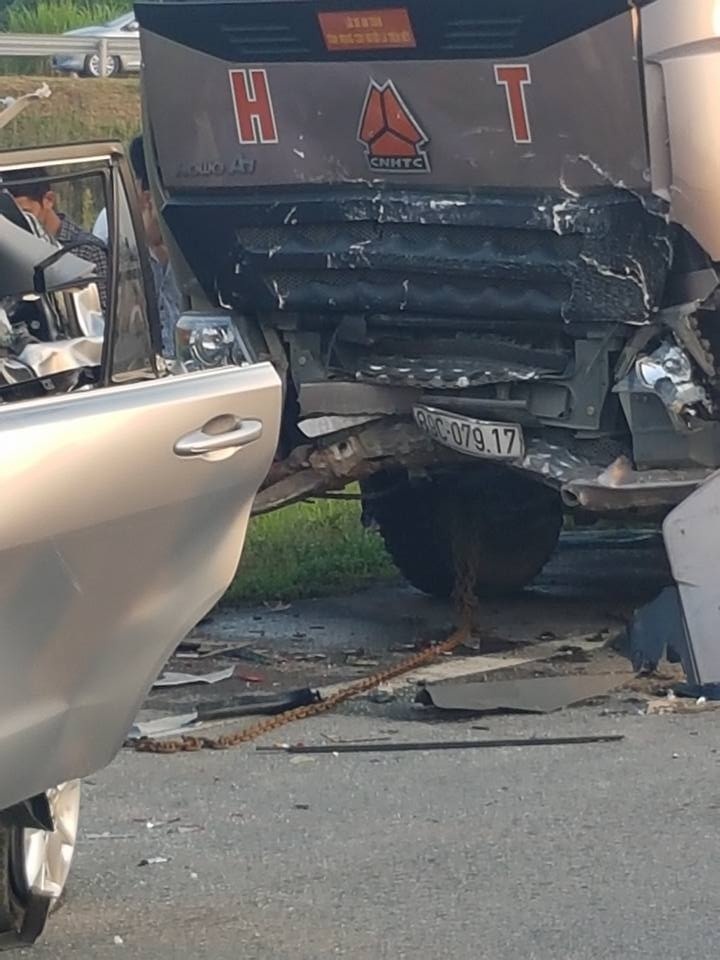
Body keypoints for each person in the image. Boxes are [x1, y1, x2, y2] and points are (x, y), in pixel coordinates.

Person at [2, 168, 109, 312]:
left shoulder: (88, 249)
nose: (21, 223)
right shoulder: (9, 250)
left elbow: (107, 311)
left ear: (49, 200)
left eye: (27, 214)